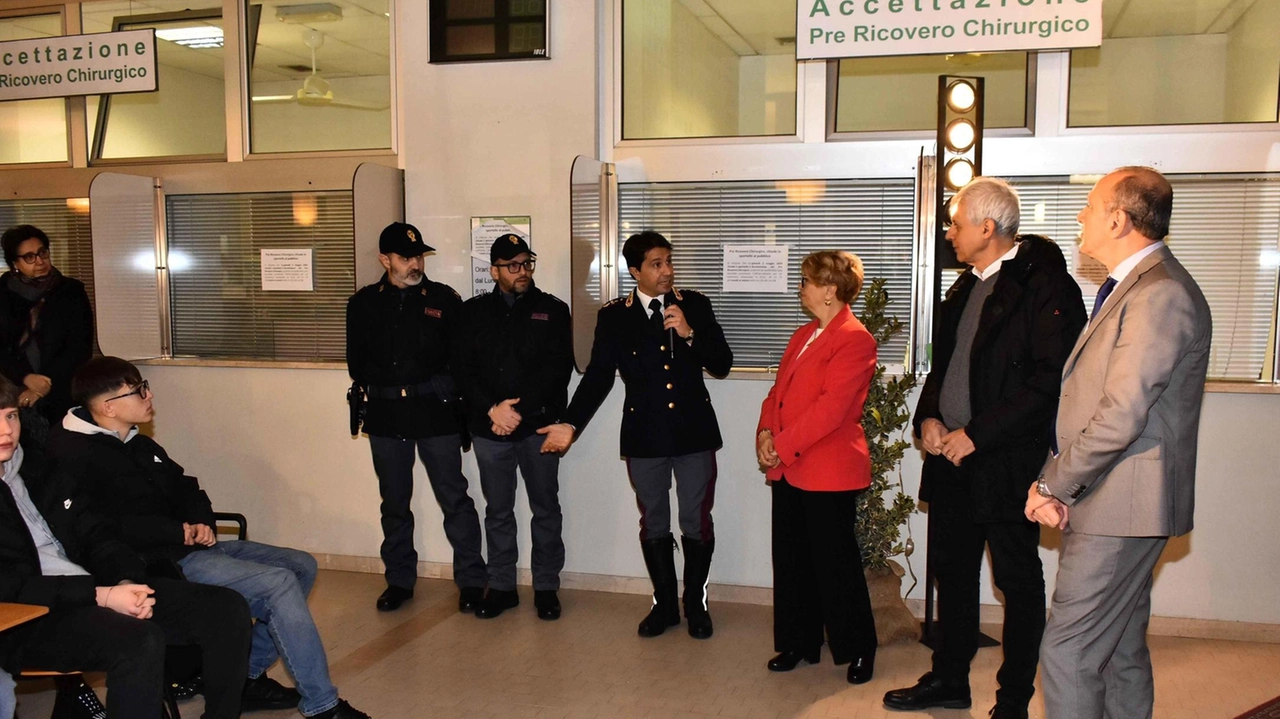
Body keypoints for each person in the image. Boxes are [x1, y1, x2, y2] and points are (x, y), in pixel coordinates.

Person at [46, 357, 370, 719]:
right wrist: (174, 531)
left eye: (145, 385)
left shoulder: (137, 443)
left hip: (186, 546)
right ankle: (323, 706)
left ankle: (245, 677)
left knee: (300, 564)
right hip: (154, 562)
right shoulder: (73, 455)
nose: (149, 395)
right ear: (108, 406)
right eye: (138, 391)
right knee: (278, 583)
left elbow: (184, 485)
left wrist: (199, 520)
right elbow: (99, 527)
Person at [883, 178, 1087, 719]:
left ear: (987, 228)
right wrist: (928, 417)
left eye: (955, 223)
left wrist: (977, 432)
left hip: (1005, 462)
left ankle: (1013, 700)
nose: (949, 234)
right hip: (950, 460)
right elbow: (944, 367)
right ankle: (949, 678)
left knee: (1016, 581)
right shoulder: (964, 287)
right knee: (951, 573)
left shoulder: (1046, 287)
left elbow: (1050, 383)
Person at [1025, 167, 1211, 719]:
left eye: (1089, 205)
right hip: (1114, 496)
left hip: (1122, 505)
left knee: (1068, 653)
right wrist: (1061, 480)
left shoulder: (1159, 293)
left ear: (1118, 218)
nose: (1081, 216)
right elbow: (1091, 402)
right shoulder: (1137, 285)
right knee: (1118, 651)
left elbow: (1120, 415)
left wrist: (1051, 482)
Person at [0, 375, 251, 719]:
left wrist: (123, 581)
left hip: (94, 589)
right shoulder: (64, 454)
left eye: (11, 415)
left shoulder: (36, 467)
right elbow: (12, 586)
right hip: (27, 618)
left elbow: (98, 533)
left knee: (226, 608)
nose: (6, 430)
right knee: (138, 641)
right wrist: (99, 596)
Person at [539, 231, 732, 639]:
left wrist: (691, 334)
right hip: (645, 435)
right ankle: (664, 604)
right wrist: (571, 423)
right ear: (635, 271)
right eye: (656, 264)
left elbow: (723, 364)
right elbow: (597, 378)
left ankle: (695, 602)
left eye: (669, 261)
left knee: (696, 520)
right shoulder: (614, 316)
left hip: (694, 432)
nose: (667, 270)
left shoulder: (694, 304)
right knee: (654, 521)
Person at [346, 222, 486, 614]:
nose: (414, 263)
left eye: (418, 256)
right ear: (384, 260)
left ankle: (473, 580)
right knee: (394, 503)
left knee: (454, 499)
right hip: (387, 414)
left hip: (435, 413)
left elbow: (462, 359)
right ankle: (399, 580)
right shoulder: (363, 304)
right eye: (406, 257)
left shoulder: (444, 299)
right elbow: (357, 364)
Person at [755, 251, 879, 686]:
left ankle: (859, 648)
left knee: (835, 564)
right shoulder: (803, 333)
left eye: (807, 281)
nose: (801, 288)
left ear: (830, 289)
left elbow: (831, 410)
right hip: (789, 466)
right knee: (791, 561)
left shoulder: (855, 338)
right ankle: (798, 642)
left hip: (828, 469)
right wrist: (765, 434)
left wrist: (782, 445)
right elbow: (778, 393)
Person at [456, 234, 573, 621]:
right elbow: (464, 372)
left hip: (537, 429)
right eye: (512, 265)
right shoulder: (473, 313)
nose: (522, 271)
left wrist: (517, 412)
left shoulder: (553, 310)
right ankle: (502, 586)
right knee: (498, 511)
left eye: (526, 263)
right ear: (494, 271)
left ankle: (546, 587)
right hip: (491, 429)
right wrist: (493, 409)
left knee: (545, 508)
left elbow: (557, 372)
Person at [0, 225, 94, 441]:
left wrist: (42, 386)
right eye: (29, 257)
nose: (40, 261)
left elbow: (79, 347)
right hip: (10, 390)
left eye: (42, 252)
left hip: (61, 390)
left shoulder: (70, 291)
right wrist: (25, 378)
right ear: (15, 263)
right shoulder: (2, 294)